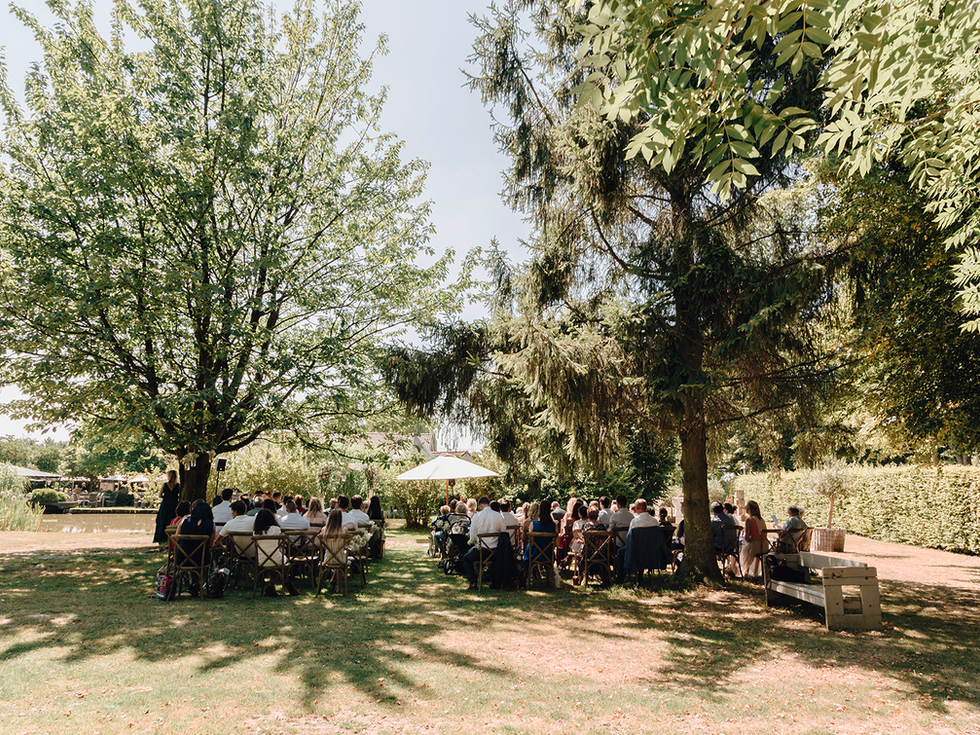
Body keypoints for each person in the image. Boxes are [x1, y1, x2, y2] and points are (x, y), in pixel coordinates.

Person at [461, 496, 506, 590]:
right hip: (497, 552)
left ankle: (473, 582)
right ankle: (492, 580)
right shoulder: (498, 516)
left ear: (480, 505)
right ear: (489, 505)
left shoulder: (476, 516)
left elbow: (472, 536)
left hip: (482, 551)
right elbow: (503, 533)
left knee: (466, 558)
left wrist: (477, 545)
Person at [253, 508, 298, 596]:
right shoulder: (275, 529)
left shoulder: (255, 532)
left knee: (273, 560)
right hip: (275, 558)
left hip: (261, 560)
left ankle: (271, 585)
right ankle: (271, 584)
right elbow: (278, 546)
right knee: (284, 562)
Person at [319, 508, 349, 593]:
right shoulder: (344, 530)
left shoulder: (324, 530)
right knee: (338, 557)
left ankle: (332, 580)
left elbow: (323, 544)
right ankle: (339, 587)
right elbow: (345, 545)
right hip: (340, 559)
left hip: (328, 559)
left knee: (334, 555)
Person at [740, 500, 767, 578]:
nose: (745, 508)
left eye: (746, 507)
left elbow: (747, 538)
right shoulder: (762, 519)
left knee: (740, 546)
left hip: (755, 545)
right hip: (764, 545)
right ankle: (754, 572)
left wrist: (743, 536)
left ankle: (743, 571)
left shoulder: (749, 519)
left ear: (750, 509)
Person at [153, 470, 180, 544]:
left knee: (163, 520)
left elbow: (159, 495)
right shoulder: (178, 485)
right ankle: (172, 537)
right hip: (174, 504)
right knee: (172, 519)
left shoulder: (165, 485)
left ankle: (161, 537)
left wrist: (166, 497)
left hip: (165, 504)